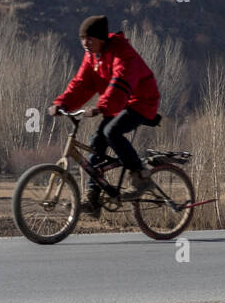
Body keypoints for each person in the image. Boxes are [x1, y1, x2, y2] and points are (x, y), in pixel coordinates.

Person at [47, 15, 161, 214]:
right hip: (118, 105)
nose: (85, 43)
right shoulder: (92, 56)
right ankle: (93, 199)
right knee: (96, 143)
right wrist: (61, 103)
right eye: (82, 38)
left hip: (141, 102)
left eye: (89, 39)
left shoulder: (123, 52)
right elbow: (81, 84)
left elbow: (120, 82)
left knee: (112, 132)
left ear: (101, 39)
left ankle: (140, 175)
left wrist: (101, 106)